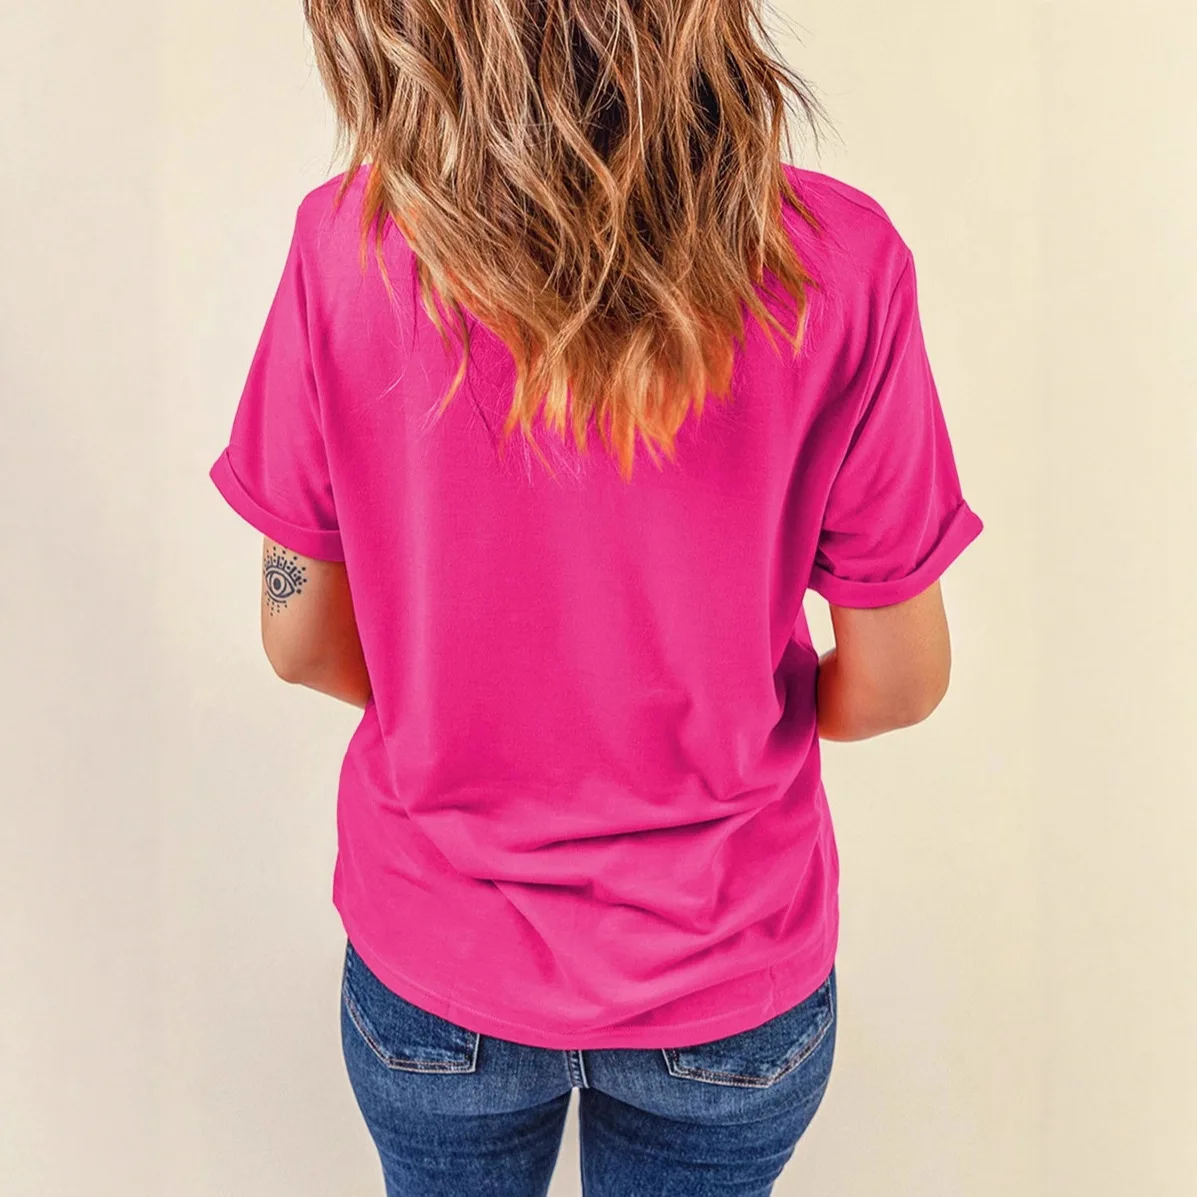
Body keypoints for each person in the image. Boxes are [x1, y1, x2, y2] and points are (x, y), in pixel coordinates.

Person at [208, 1, 984, 1192]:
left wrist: (460, 711)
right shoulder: (840, 260)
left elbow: (297, 634)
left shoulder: (346, 243)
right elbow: (899, 684)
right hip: (727, 966)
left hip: (438, 958)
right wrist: (722, 722)